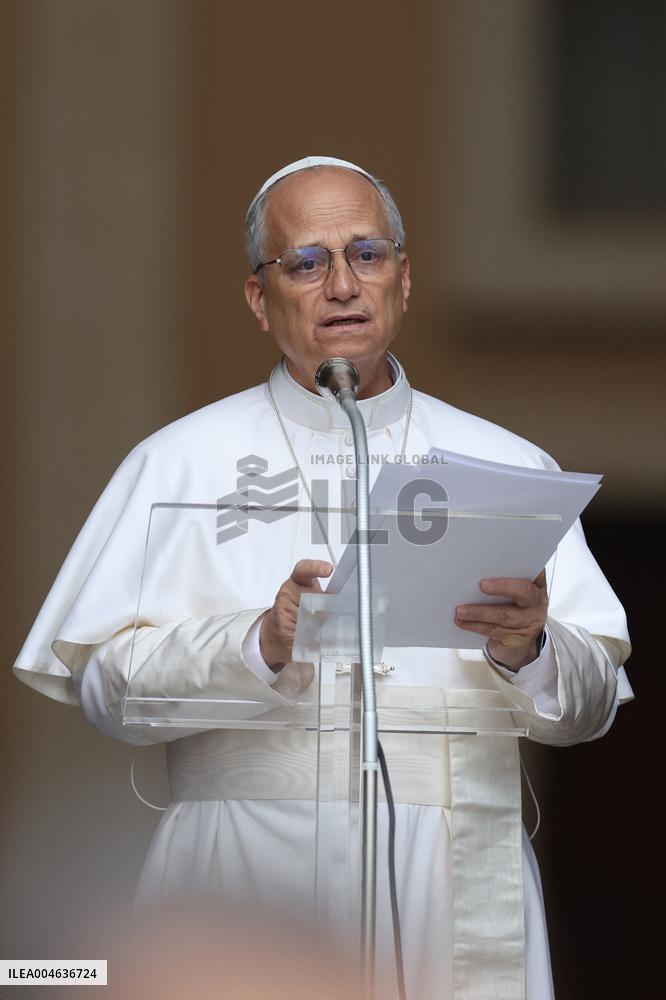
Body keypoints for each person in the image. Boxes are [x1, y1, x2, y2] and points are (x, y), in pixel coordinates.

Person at [14, 155, 632, 1000]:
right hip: (242, 879)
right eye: (306, 262)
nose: (342, 283)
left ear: (404, 281)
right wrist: (255, 645)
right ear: (260, 299)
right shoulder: (177, 463)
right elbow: (105, 694)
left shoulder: (506, 464)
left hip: (450, 885)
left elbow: (593, 705)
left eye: (367, 255)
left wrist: (530, 649)